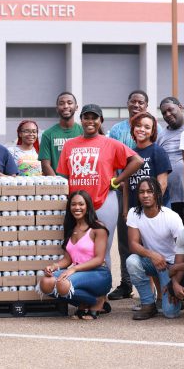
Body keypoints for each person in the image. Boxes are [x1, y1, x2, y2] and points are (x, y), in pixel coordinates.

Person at [56, 104, 143, 261]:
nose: (90, 121)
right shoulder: (69, 145)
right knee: (76, 248)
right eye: (86, 118)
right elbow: (64, 176)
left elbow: (137, 161)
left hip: (104, 201)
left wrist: (117, 180)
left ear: (100, 121)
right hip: (77, 204)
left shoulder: (109, 143)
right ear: (80, 120)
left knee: (102, 252)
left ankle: (104, 285)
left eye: (94, 118)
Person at [112, 109, 170, 302]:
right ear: (132, 128)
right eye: (138, 126)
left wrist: (156, 207)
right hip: (135, 211)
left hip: (153, 210)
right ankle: (150, 296)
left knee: (154, 251)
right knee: (141, 253)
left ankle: (162, 295)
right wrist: (126, 209)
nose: (142, 129)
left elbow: (162, 182)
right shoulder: (130, 154)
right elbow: (127, 184)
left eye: (147, 126)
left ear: (153, 130)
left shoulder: (157, 151)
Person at [36, 190, 112, 319]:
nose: (77, 207)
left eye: (81, 204)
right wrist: (54, 267)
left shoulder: (98, 228)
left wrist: (74, 269)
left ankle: (99, 300)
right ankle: (87, 302)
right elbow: (67, 259)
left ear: (88, 206)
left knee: (62, 284)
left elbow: (99, 259)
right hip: (78, 273)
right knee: (45, 283)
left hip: (99, 273)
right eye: (73, 204)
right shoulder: (71, 228)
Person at [126, 178, 184, 320]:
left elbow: (183, 249)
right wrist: (152, 255)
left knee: (170, 313)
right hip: (152, 262)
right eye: (142, 192)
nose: (145, 195)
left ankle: (178, 298)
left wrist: (175, 281)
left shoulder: (171, 216)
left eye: (150, 191)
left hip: (171, 266)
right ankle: (148, 304)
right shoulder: (134, 213)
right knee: (132, 261)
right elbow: (133, 244)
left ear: (158, 193)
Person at [157, 96, 184, 218]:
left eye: (170, 110)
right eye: (164, 113)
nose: (167, 114)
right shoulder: (161, 136)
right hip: (169, 197)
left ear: (180, 107)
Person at [39, 92, 82, 176]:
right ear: (57, 108)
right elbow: (45, 165)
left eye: (69, 103)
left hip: (80, 185)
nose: (66, 106)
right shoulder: (48, 134)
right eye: (61, 103)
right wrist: (59, 185)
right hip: (58, 186)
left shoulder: (83, 132)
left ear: (76, 107)